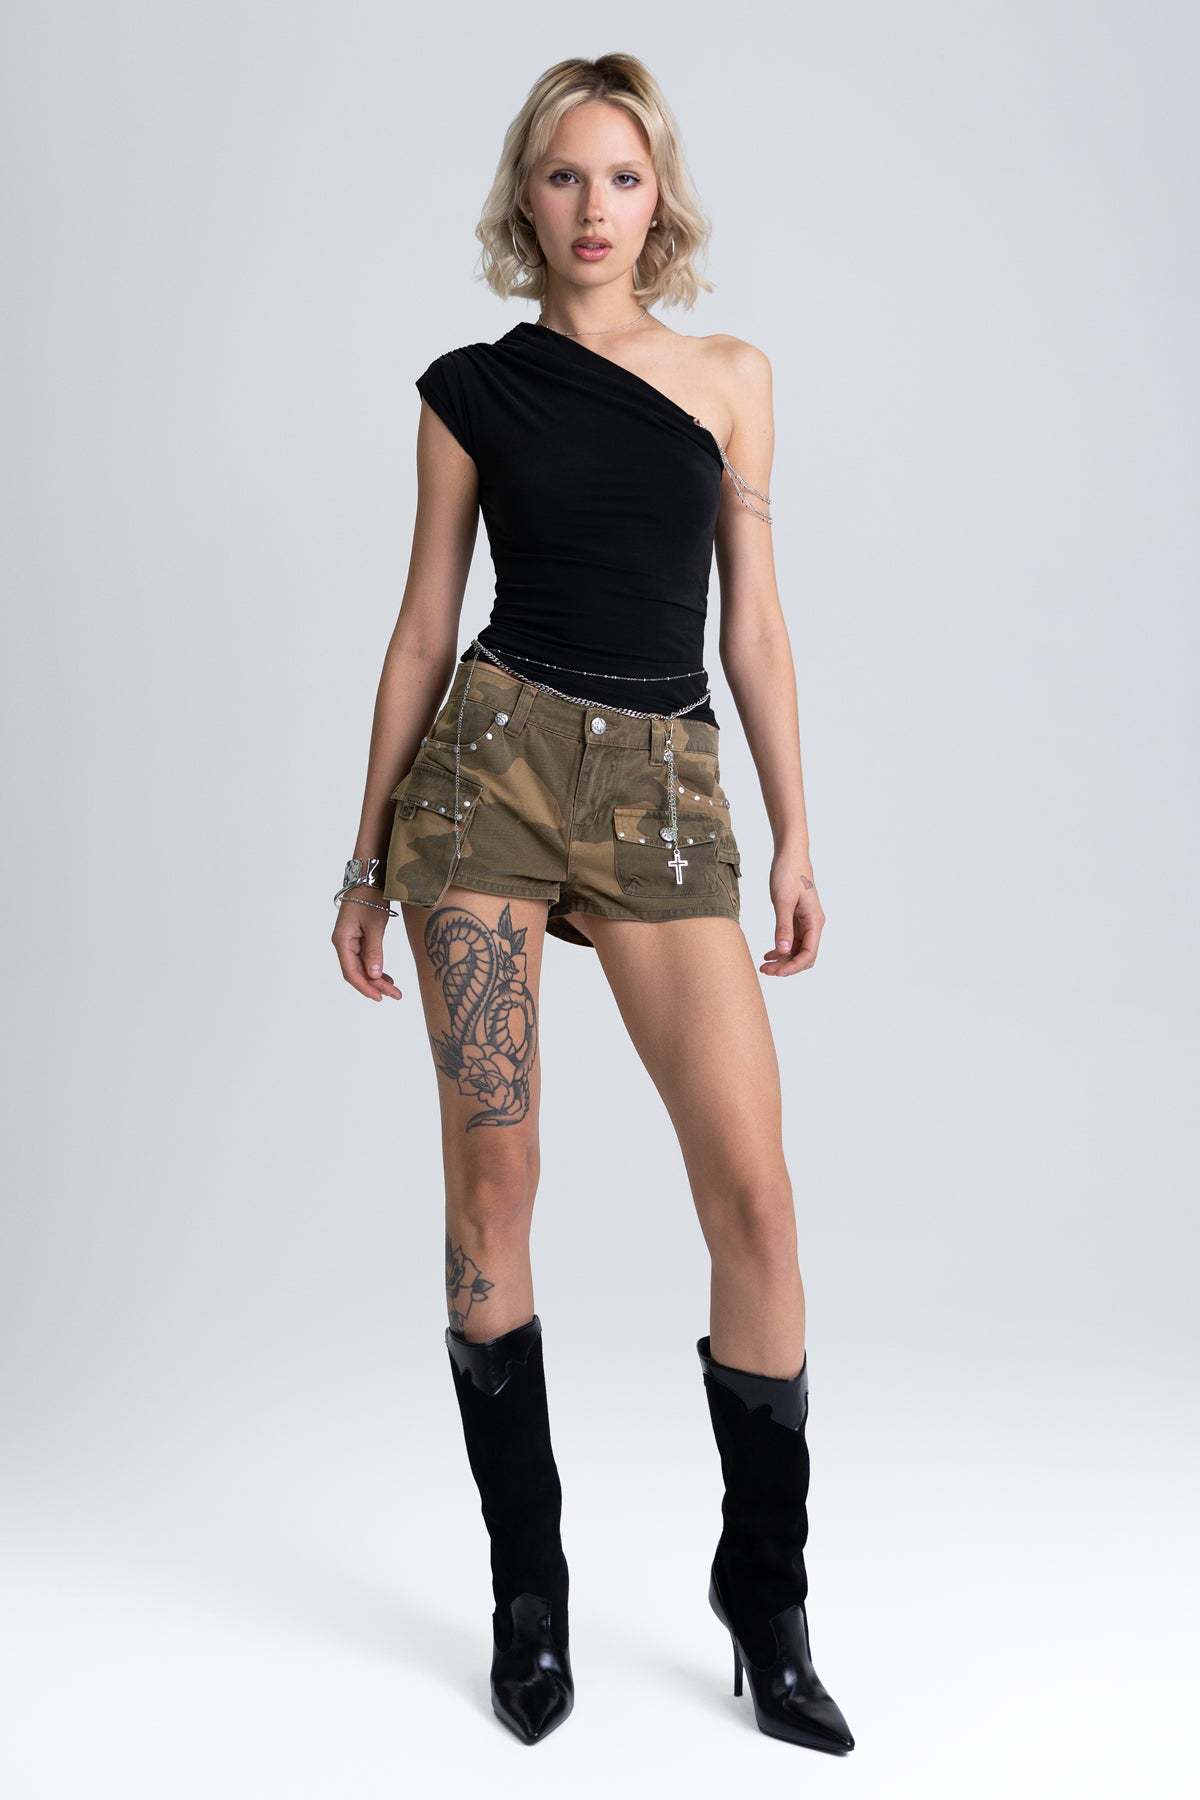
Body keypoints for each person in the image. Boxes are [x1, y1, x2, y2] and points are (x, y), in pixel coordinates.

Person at [330, 52, 855, 1754]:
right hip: (485, 777)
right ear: (524, 197)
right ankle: (528, 1596)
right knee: (495, 1181)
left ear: (659, 197)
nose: (593, 209)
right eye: (563, 176)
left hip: (661, 792)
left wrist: (793, 831)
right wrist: (363, 855)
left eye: (623, 177)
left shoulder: (730, 378)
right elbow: (425, 622)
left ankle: (765, 1600)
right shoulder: (470, 391)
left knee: (756, 1201)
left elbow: (752, 620)